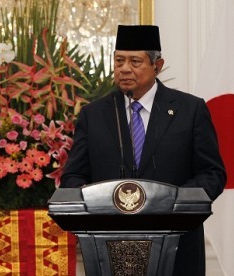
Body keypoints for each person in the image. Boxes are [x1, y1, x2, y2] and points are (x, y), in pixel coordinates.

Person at [60, 25, 226, 276]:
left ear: (157, 66)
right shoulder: (93, 115)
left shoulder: (189, 110)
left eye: (135, 61)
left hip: (177, 246)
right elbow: (73, 177)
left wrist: (175, 203)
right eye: (119, 61)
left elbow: (212, 173)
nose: (125, 68)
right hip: (110, 250)